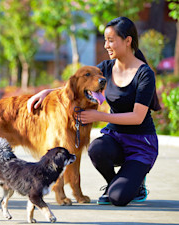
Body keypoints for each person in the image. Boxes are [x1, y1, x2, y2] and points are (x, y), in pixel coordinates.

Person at [27, 17, 160, 206]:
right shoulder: (105, 68)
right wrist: (46, 92)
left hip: (140, 144)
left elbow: (138, 117)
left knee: (117, 199)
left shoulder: (144, 74)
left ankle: (136, 183)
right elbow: (76, 83)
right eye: (105, 40)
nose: (106, 45)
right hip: (115, 139)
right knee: (96, 148)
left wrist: (100, 116)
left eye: (111, 40)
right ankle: (118, 182)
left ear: (128, 40)